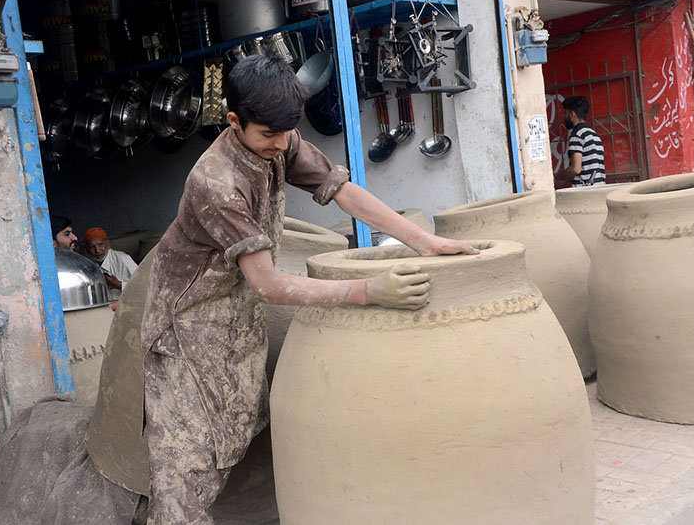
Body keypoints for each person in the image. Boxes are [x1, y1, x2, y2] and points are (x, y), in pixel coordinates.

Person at [140, 54, 476, 525]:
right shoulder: (216, 183)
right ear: (235, 122)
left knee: (231, 438)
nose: (280, 145)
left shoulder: (279, 139)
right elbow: (268, 283)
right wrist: (369, 291)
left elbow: (343, 190)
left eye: (286, 133)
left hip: (232, 318)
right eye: (268, 136)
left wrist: (422, 240)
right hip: (186, 332)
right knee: (186, 467)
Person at [556, 95, 606, 187]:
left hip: (585, 193)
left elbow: (576, 169)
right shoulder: (594, 134)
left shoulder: (577, 135)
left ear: (572, 114)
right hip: (600, 189)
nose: (564, 117)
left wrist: (559, 177)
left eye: (565, 113)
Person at [83, 227, 138, 300]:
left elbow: (144, 286)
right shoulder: (88, 266)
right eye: (92, 247)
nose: (97, 250)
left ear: (108, 244)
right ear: (87, 249)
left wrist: (119, 285)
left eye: (100, 245)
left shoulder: (123, 260)